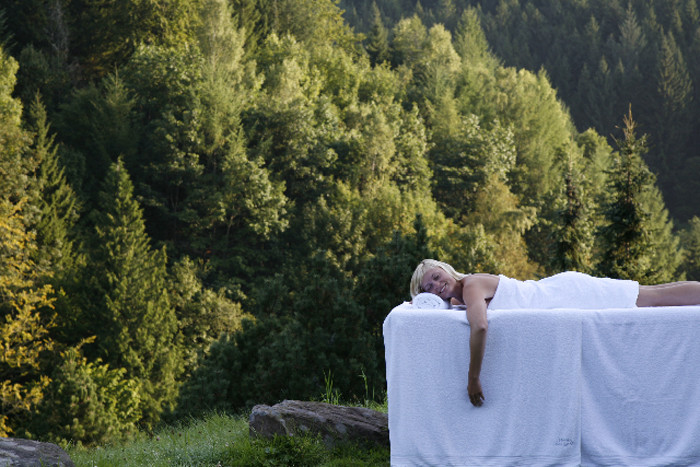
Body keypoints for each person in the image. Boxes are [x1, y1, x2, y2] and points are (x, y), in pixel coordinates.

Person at [410, 259, 700, 407]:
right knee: (652, 294)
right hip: (558, 291)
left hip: (568, 293)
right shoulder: (457, 299)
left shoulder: (471, 286)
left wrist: (473, 378)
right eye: (428, 287)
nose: (436, 285)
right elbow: (433, 307)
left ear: (446, 270)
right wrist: (425, 302)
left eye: (437, 276)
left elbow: (480, 326)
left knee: (652, 297)